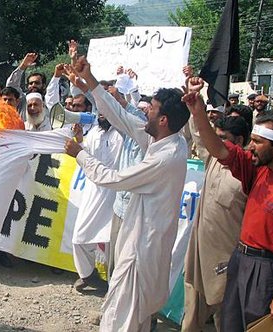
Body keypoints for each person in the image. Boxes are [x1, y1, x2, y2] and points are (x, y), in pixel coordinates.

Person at [64, 56, 190, 331]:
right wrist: (92, 81)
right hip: (142, 243)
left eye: (152, 111)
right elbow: (120, 117)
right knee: (134, 317)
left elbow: (112, 178)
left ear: (164, 119)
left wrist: (80, 154)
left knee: (121, 318)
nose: (146, 114)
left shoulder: (164, 158)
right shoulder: (166, 139)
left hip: (141, 250)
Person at [183, 76, 273, 331]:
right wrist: (198, 111)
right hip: (240, 260)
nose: (251, 147)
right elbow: (217, 147)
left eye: (258, 142)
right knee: (230, 325)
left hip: (268, 270)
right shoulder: (254, 170)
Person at [183, 114, 249, 331]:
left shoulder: (249, 173)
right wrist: (195, 109)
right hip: (198, 254)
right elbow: (199, 135)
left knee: (226, 320)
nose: (216, 142)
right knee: (191, 318)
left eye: (223, 138)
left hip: (227, 263)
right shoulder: (212, 159)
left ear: (239, 141)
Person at [71, 115, 122, 292]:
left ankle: (113, 284)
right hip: (94, 190)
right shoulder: (94, 132)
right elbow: (87, 155)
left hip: (116, 190)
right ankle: (88, 275)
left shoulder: (122, 134)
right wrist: (79, 140)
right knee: (79, 236)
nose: (102, 114)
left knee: (110, 241)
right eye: (99, 111)